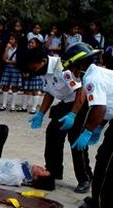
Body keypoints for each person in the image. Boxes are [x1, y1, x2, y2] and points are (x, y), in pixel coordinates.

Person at [26, 47, 92, 193]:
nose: (34, 71)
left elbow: (80, 91)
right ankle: (53, 171)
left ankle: (85, 179)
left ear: (43, 61)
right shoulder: (43, 71)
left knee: (76, 140)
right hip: (64, 103)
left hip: (79, 104)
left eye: (35, 68)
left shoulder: (62, 67)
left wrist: (73, 115)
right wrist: (41, 113)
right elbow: (49, 92)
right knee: (52, 134)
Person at [61, 43, 113, 208]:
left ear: (79, 65)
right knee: (104, 158)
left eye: (71, 68)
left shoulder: (93, 79)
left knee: (106, 162)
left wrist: (88, 131)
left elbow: (100, 108)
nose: (71, 73)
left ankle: (103, 207)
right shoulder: (98, 73)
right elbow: (108, 104)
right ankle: (99, 198)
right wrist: (99, 127)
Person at [0, 34, 23, 112]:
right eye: (10, 39)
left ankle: (13, 106)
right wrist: (6, 49)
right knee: (5, 86)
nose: (10, 41)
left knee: (15, 87)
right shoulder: (7, 48)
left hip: (16, 69)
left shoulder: (20, 49)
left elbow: (19, 61)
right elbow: (3, 59)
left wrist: (9, 61)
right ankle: (4, 105)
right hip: (7, 68)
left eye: (12, 39)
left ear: (16, 40)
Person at [20, 38, 44, 114]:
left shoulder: (40, 52)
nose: (30, 44)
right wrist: (24, 72)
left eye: (32, 43)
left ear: (37, 44)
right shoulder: (27, 52)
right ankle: (24, 107)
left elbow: (42, 63)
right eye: (30, 42)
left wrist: (35, 70)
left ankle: (34, 108)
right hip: (27, 73)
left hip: (36, 73)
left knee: (35, 91)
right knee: (26, 90)